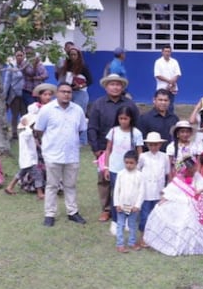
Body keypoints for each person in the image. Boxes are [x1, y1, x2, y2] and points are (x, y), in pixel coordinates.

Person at [35, 83, 88, 226]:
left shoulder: (78, 110)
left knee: (70, 185)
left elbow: (81, 129)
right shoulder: (47, 110)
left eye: (69, 92)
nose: (66, 95)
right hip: (52, 153)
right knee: (52, 185)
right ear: (57, 93)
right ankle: (49, 214)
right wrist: (47, 145)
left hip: (71, 154)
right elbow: (39, 130)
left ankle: (72, 212)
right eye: (63, 92)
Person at [87, 74, 138, 222]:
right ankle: (106, 209)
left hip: (126, 150)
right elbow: (92, 127)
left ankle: (125, 207)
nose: (115, 87)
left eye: (118, 84)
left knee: (126, 180)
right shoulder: (98, 104)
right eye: (112, 84)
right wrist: (96, 148)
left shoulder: (130, 105)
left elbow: (137, 126)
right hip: (105, 149)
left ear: (122, 87)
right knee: (104, 180)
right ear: (106, 86)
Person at [143, 156, 203, 256]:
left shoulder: (197, 176)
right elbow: (170, 191)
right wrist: (165, 198)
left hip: (193, 203)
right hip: (180, 201)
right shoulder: (179, 179)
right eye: (190, 169)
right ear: (185, 170)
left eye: (194, 167)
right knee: (160, 209)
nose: (193, 170)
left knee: (190, 216)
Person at [103, 105, 144, 211]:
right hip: (114, 167)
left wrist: (138, 167)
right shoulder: (113, 131)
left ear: (131, 119)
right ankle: (116, 216)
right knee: (116, 191)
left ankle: (129, 212)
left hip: (130, 168)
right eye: (121, 118)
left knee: (129, 190)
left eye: (126, 118)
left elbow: (140, 152)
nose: (123, 121)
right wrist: (106, 167)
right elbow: (108, 150)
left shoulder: (136, 133)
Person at [5, 107, 46, 198]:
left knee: (21, 173)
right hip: (30, 159)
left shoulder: (28, 135)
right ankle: (40, 193)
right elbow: (28, 133)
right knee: (38, 175)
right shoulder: (25, 134)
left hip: (28, 159)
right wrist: (27, 125)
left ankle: (10, 187)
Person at [112, 150, 145, 253]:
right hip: (122, 205)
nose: (129, 165)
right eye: (126, 162)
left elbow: (142, 192)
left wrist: (137, 205)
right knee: (120, 225)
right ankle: (120, 244)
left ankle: (132, 242)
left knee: (132, 225)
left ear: (136, 163)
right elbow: (116, 190)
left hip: (133, 206)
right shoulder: (121, 174)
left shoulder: (140, 175)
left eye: (131, 163)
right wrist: (117, 204)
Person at [138, 132, 171, 234]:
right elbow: (137, 171)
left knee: (157, 212)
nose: (153, 147)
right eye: (151, 144)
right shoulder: (143, 156)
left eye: (156, 144)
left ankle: (156, 233)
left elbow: (167, 173)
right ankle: (144, 233)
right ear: (147, 145)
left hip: (159, 189)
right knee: (145, 213)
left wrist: (167, 189)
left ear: (160, 144)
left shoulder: (164, 156)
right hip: (146, 190)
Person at [58, 43, 92, 108]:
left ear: (78, 56)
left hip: (81, 93)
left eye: (75, 55)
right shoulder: (67, 66)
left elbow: (90, 81)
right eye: (71, 55)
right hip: (70, 92)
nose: (73, 57)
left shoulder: (83, 67)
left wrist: (80, 86)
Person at [153, 45, 181, 113]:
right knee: (160, 106)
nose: (167, 53)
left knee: (170, 106)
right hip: (161, 88)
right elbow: (157, 75)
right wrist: (169, 81)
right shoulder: (158, 62)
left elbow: (178, 74)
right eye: (165, 51)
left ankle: (170, 121)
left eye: (169, 51)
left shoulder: (174, 61)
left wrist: (171, 83)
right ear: (162, 52)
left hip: (172, 88)